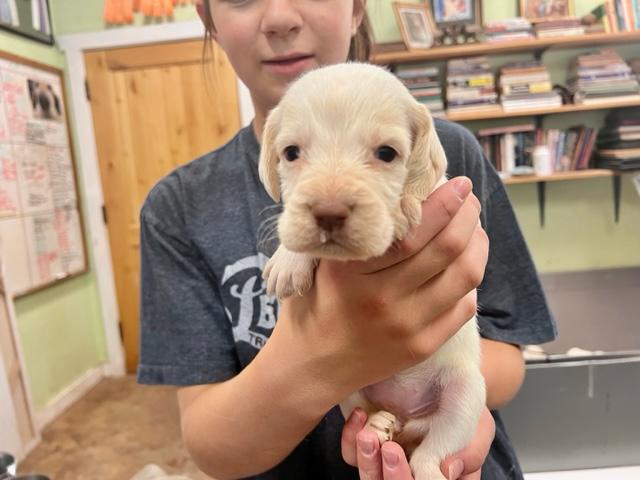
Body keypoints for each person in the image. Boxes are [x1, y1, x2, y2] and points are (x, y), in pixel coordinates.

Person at [137, 1, 556, 479]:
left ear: (357, 9)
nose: (280, 19)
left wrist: (444, 428)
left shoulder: (454, 154)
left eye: (385, 153)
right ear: (206, 15)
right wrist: (328, 356)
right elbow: (209, 447)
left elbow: (508, 359)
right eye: (294, 153)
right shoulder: (177, 208)